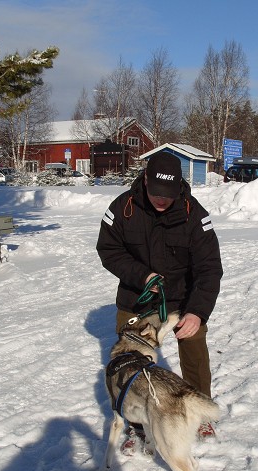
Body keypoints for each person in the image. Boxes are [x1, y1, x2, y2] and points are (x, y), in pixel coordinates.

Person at [96, 151, 223, 453]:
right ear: (145, 181)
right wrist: (142, 276)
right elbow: (108, 250)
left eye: (168, 195)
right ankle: (138, 423)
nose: (161, 200)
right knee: (129, 363)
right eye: (156, 193)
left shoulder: (195, 214)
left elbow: (209, 268)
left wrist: (196, 312)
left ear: (179, 187)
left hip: (182, 299)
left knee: (194, 345)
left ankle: (199, 410)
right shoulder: (122, 207)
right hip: (136, 297)